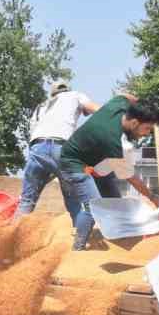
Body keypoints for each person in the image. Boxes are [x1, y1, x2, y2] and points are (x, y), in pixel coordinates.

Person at [58, 96, 159, 250]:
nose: (147, 134)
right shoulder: (111, 139)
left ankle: (118, 238)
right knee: (92, 205)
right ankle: (78, 248)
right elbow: (129, 176)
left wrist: (144, 103)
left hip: (97, 162)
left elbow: (125, 96)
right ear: (134, 123)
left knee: (114, 201)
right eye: (147, 128)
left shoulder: (119, 106)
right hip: (74, 163)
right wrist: (154, 197)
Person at [18, 80, 100, 220]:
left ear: (53, 93)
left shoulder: (40, 107)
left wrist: (45, 168)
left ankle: (10, 236)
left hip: (37, 150)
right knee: (73, 199)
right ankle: (80, 236)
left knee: (26, 201)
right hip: (61, 149)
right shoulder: (75, 95)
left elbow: (34, 137)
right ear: (67, 90)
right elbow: (96, 109)